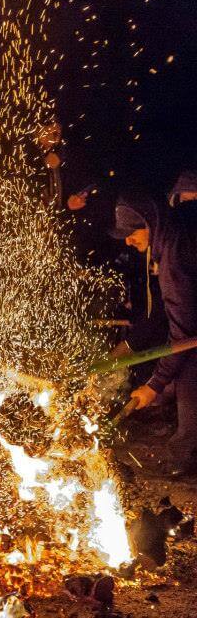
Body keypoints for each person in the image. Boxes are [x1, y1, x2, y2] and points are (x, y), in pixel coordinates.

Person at [110, 194, 197, 475]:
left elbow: (182, 335)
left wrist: (153, 385)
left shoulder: (173, 252)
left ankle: (185, 456)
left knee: (188, 371)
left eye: (131, 233)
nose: (127, 241)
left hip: (190, 339)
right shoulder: (176, 238)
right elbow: (166, 312)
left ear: (149, 224)